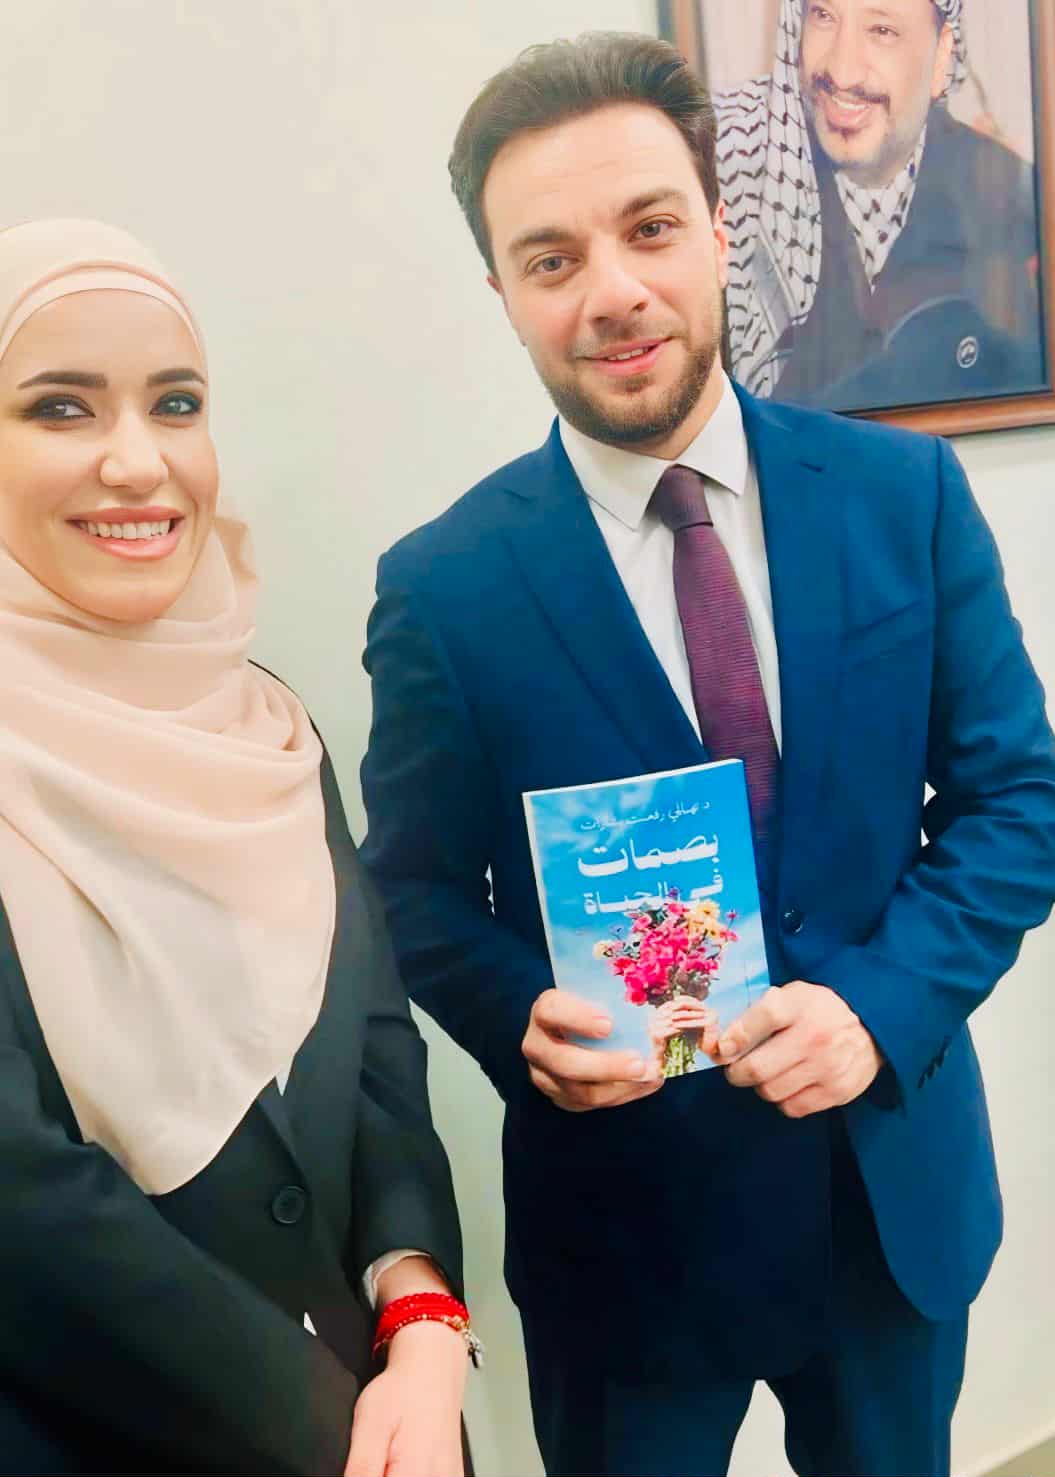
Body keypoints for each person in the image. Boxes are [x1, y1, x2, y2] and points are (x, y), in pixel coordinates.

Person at [359, 32, 1055, 1477]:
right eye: (550, 259)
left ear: (721, 228)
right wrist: (517, 1016)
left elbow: (1017, 800)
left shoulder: (902, 495)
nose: (610, 290)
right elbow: (411, 894)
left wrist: (874, 1006)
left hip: (882, 1198)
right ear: (502, 293)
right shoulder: (444, 585)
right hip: (626, 1235)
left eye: (649, 227)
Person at [0, 218, 471, 1476]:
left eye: (176, 402)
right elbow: (22, 1202)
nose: (138, 461)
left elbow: (371, 1052)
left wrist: (423, 1313)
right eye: (59, 407)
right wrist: (333, 1429)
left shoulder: (264, 725)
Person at [714, 0, 1044, 411]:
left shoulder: (1011, 197)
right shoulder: (739, 165)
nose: (842, 72)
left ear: (941, 58)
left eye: (882, 31)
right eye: (823, 16)